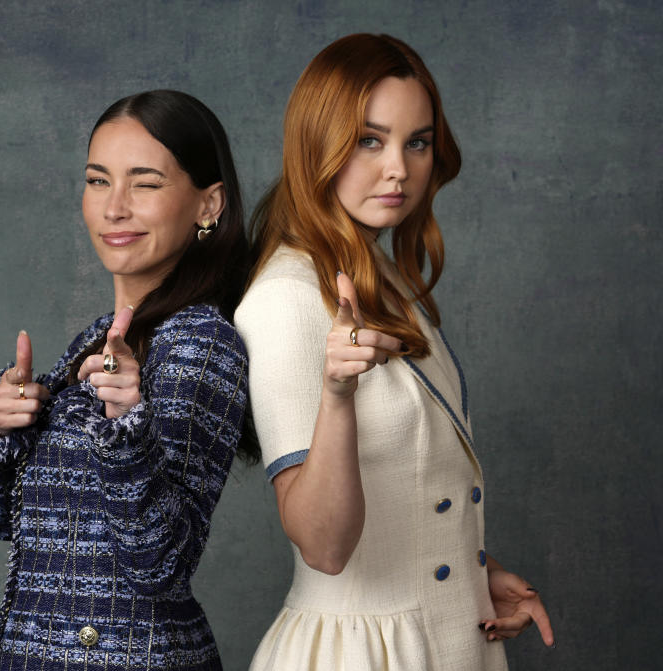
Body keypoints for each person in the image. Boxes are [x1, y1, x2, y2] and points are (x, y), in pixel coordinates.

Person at [235, 34, 554, 670]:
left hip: (443, 641)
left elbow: (405, 483)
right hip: (362, 654)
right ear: (317, 144)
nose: (399, 170)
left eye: (418, 142)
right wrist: (336, 392)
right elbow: (323, 547)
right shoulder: (285, 299)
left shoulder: (387, 278)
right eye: (369, 140)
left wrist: (465, 575)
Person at [0, 90, 257, 671]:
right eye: (97, 180)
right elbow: (15, 526)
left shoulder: (202, 343)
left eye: (145, 182)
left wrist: (125, 429)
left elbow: (162, 563)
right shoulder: (96, 339)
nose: (114, 207)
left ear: (208, 204)